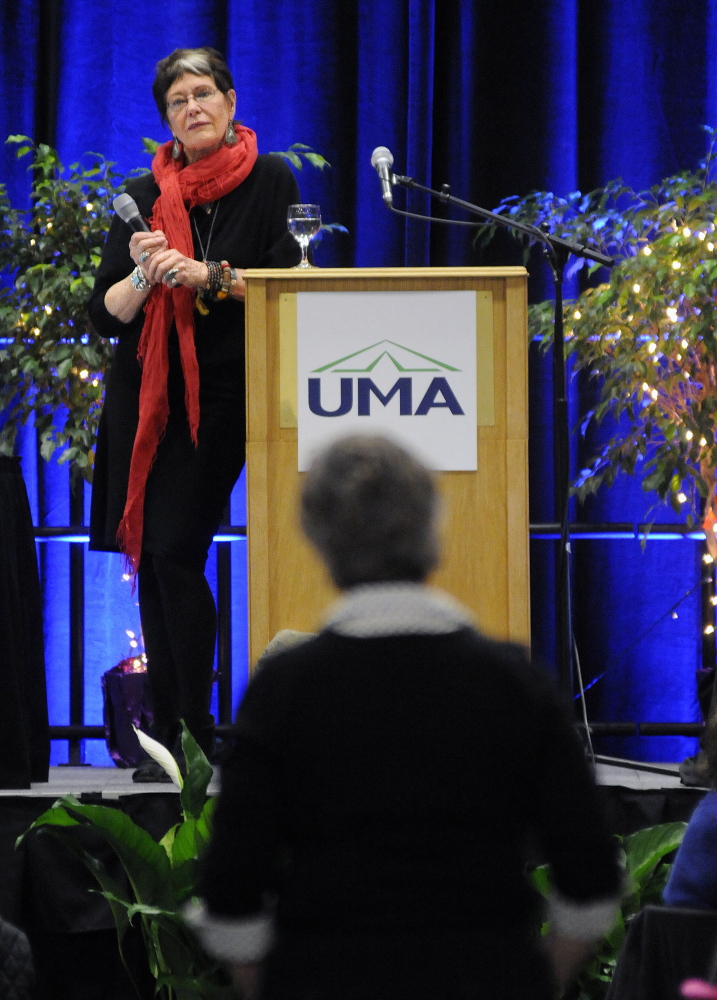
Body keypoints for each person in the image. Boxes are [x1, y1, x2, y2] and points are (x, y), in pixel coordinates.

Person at [187, 434, 623, 999]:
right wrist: (535, 982)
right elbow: (591, 881)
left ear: (318, 538)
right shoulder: (514, 684)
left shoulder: (284, 690)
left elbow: (229, 898)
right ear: (432, 532)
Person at [88, 47, 301, 781]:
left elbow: (289, 283)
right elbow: (106, 312)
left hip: (225, 392)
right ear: (166, 119)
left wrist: (208, 275)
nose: (192, 108)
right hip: (145, 398)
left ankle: (195, 732)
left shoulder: (270, 180)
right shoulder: (143, 193)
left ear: (231, 103)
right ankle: (171, 739)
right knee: (151, 558)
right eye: (177, 101)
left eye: (203, 94)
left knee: (175, 549)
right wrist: (147, 273)